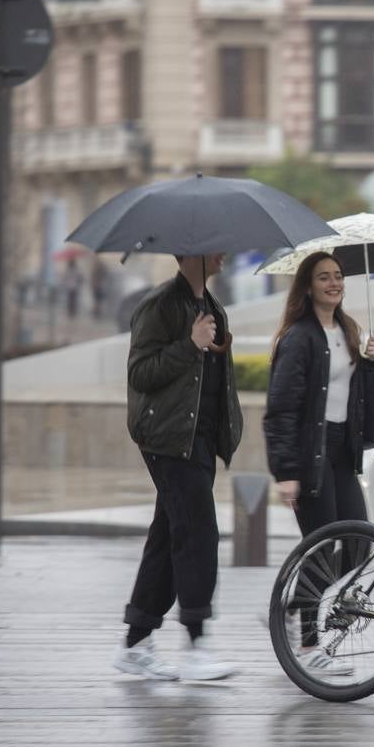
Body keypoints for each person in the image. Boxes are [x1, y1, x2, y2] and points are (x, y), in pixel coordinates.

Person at [114, 253, 242, 682]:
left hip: (199, 439)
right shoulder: (160, 305)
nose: (224, 254)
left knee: (170, 534)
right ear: (193, 254)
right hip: (168, 439)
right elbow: (140, 373)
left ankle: (136, 643)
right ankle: (196, 642)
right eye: (216, 247)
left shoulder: (210, 305)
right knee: (198, 531)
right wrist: (189, 345)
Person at [263, 252, 374, 673]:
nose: (334, 284)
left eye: (338, 277)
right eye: (324, 278)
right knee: (320, 548)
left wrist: (373, 362)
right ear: (308, 286)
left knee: (358, 543)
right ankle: (307, 646)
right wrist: (285, 473)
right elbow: (279, 409)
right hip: (309, 455)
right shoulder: (299, 338)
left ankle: (295, 602)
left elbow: (365, 393)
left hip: (341, 451)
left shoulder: (349, 329)